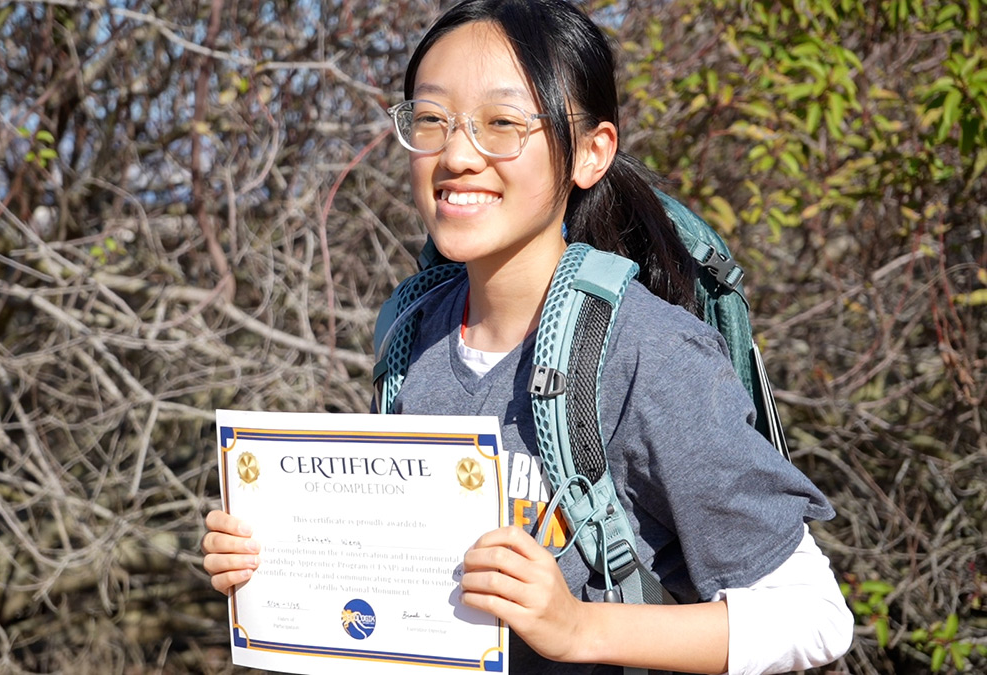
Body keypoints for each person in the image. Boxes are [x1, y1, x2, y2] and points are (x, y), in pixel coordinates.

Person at [203, 1, 854, 672]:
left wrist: (580, 628)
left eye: (502, 123)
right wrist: (274, 569)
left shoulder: (648, 351)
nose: (457, 154)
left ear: (591, 152)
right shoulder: (410, 333)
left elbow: (813, 615)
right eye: (431, 119)